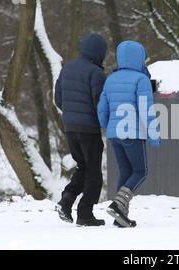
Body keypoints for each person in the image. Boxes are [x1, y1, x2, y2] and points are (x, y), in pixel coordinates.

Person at [98, 41, 160, 228]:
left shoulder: (111, 79)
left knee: (126, 172)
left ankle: (120, 217)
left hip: (114, 134)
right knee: (141, 171)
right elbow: (146, 109)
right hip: (132, 133)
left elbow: (102, 109)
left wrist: (108, 126)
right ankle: (117, 205)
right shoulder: (141, 80)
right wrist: (153, 134)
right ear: (139, 58)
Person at [54, 33, 107, 227]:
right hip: (89, 130)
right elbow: (99, 103)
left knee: (82, 166)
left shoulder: (67, 68)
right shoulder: (96, 73)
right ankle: (85, 213)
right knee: (93, 172)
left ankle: (66, 200)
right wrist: (103, 122)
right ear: (99, 53)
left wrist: (70, 114)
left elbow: (57, 98)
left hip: (70, 127)